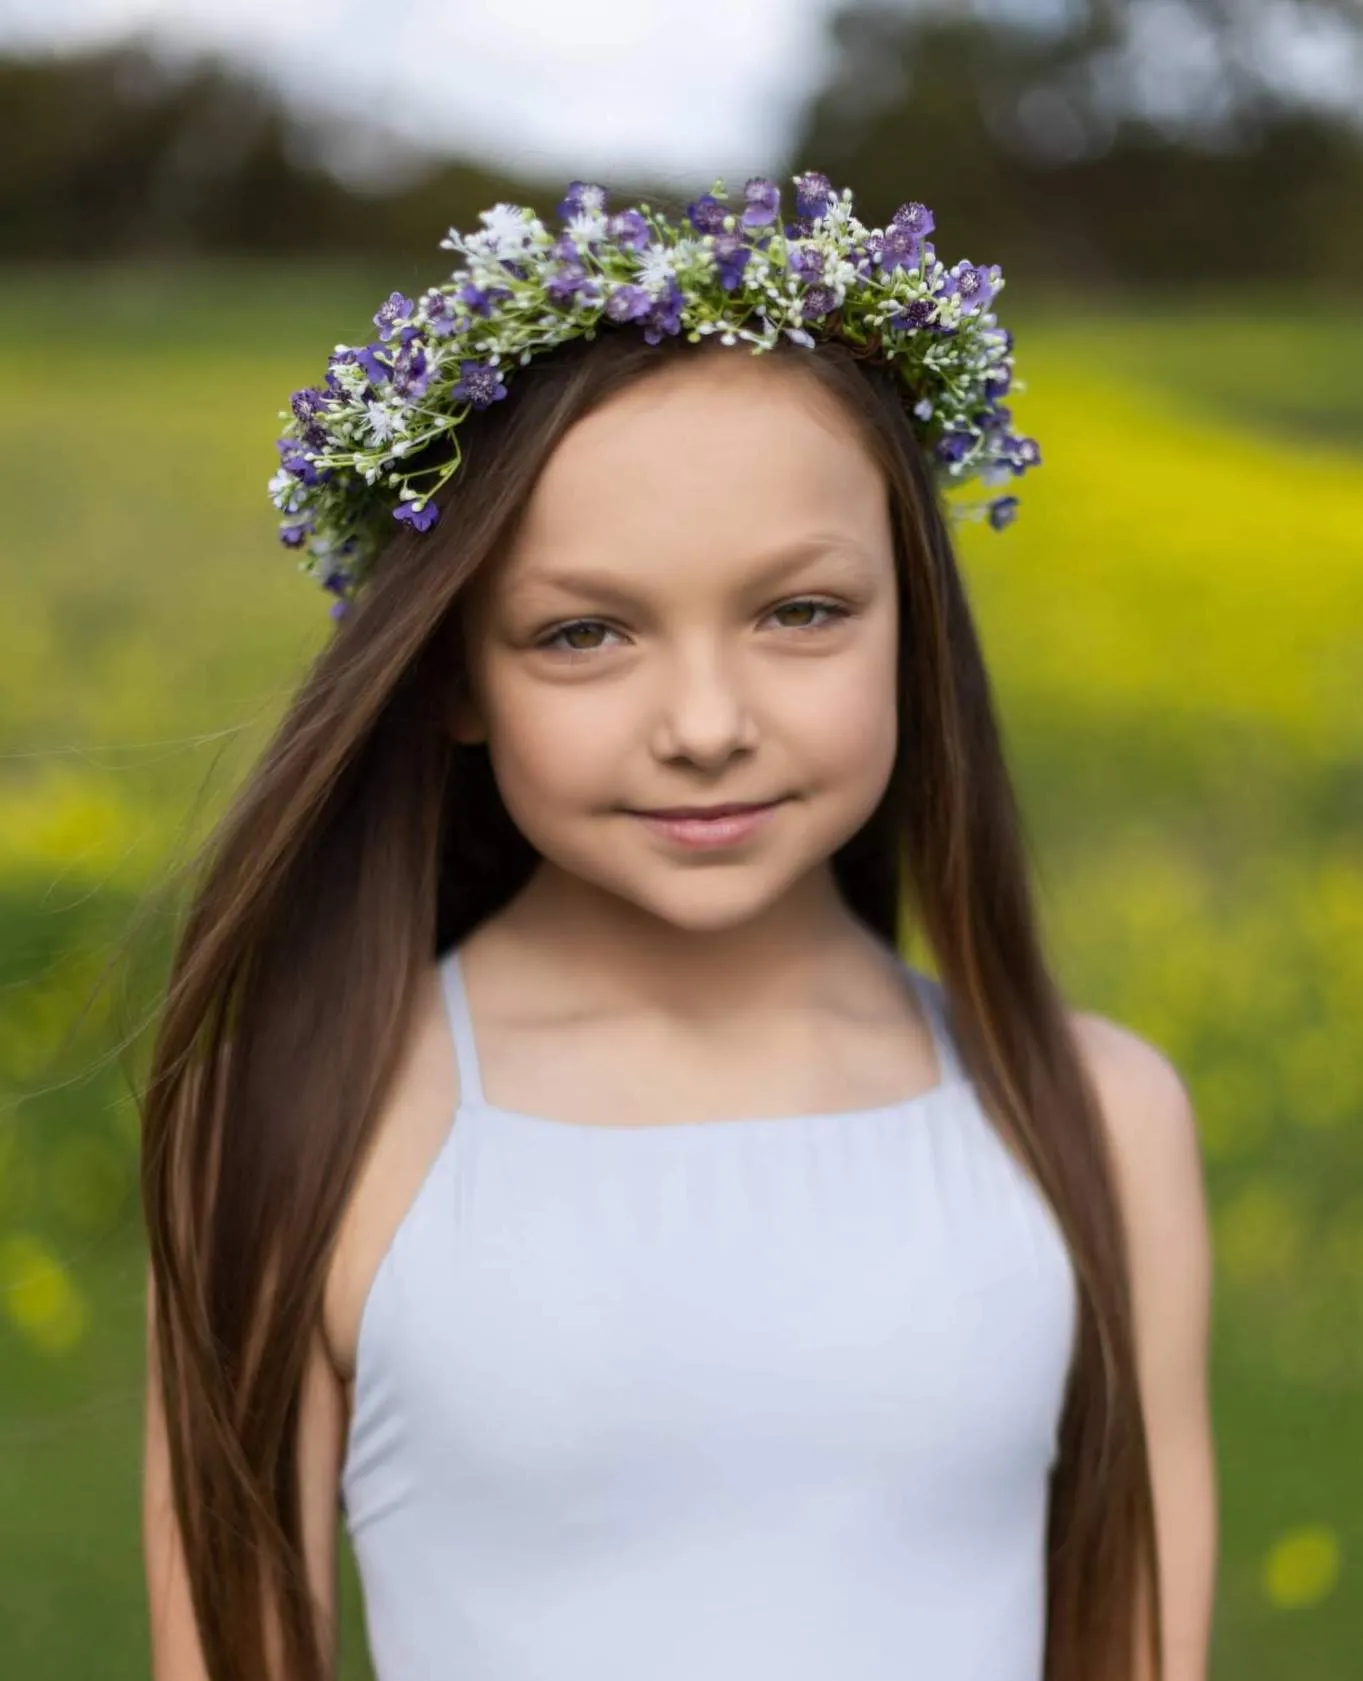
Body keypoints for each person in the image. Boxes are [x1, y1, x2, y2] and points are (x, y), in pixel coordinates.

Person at [140, 173, 1217, 1681]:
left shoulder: (1101, 1123)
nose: (705, 726)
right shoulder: (301, 1122)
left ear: (912, 617)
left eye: (799, 614)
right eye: (583, 633)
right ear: (453, 673)